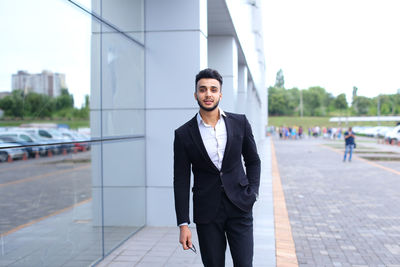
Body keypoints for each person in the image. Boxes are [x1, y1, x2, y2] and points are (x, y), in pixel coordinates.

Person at [173, 68, 261, 267]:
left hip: (240, 206)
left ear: (220, 94)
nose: (208, 94)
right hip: (207, 212)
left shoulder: (240, 123)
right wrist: (183, 224)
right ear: (196, 95)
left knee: (245, 264)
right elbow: (181, 179)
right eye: (203, 90)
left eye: (213, 89)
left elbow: (253, 161)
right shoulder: (183, 134)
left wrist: (253, 192)